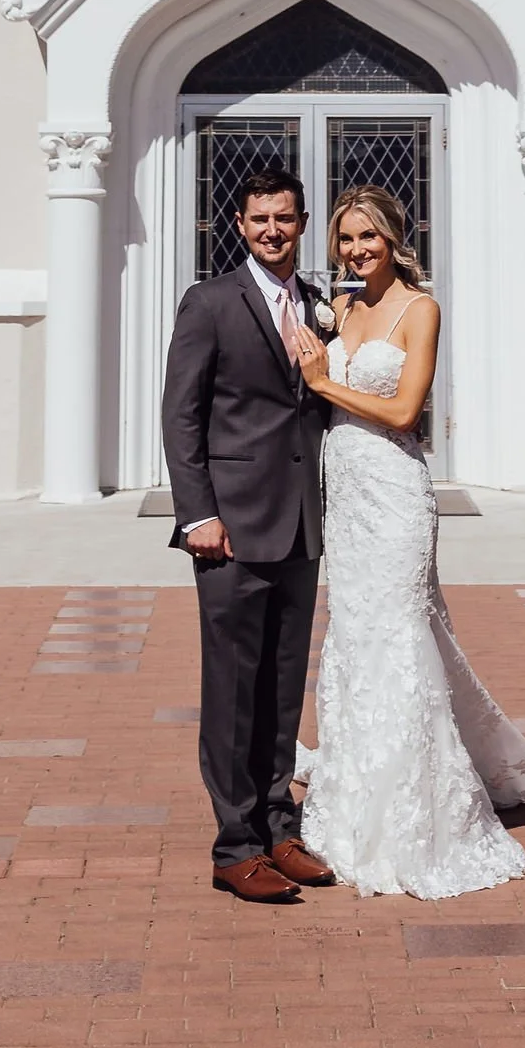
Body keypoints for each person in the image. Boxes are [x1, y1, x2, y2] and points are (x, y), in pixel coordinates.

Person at [291, 185, 525, 897]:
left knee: (402, 633)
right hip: (346, 497)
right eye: (346, 239)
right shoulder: (341, 307)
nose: (356, 250)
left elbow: (405, 409)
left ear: (394, 238)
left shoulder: (421, 309)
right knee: (355, 635)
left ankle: (420, 809)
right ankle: (356, 787)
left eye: (368, 237)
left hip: (397, 494)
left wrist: (322, 382)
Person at [159, 162, 339, 904]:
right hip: (229, 529)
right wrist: (197, 514)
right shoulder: (209, 303)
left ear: (301, 225)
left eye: (285, 218)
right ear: (240, 225)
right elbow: (182, 416)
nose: (273, 230)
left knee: (282, 690)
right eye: (260, 218)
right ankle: (234, 847)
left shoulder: (318, 304)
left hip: (299, 525)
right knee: (233, 693)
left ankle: (278, 828)